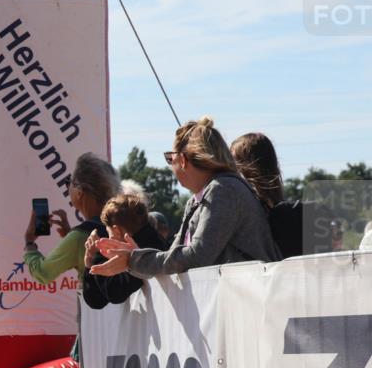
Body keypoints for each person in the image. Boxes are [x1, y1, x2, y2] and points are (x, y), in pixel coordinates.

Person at [94, 117, 281, 278]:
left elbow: (195, 257)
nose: (170, 165)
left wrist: (134, 259)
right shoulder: (202, 197)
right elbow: (174, 258)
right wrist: (133, 258)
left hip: (248, 305)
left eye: (170, 158)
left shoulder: (223, 190)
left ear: (182, 160)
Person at [23, 152, 118, 285]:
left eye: (69, 183)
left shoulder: (80, 237)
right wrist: (70, 235)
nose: (68, 188)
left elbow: (43, 273)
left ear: (79, 192)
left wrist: (29, 243)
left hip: (95, 306)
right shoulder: (121, 225)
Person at [82, 194, 167, 309]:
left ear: (116, 231)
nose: (109, 237)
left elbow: (115, 293)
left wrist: (98, 255)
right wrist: (89, 261)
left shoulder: (147, 249)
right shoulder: (154, 241)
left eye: (109, 232)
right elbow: (96, 301)